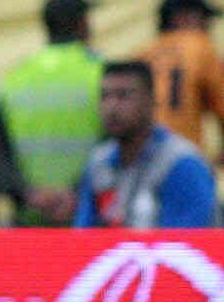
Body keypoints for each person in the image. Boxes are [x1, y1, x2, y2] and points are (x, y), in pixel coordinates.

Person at [0, 0, 103, 226]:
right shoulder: (99, 71)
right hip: (83, 211)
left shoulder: (18, 73)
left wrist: (28, 194)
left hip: (30, 213)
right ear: (82, 23)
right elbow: (115, 143)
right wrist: (74, 192)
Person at [75, 61, 217, 228]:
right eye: (105, 96)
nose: (111, 108)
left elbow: (184, 246)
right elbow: (83, 239)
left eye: (123, 96)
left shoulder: (181, 164)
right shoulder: (99, 162)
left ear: (151, 100)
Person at [139, 0, 224, 153]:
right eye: (204, 18)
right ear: (181, 17)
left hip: (140, 157)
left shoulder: (141, 55)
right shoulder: (200, 47)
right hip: (182, 156)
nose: (208, 26)